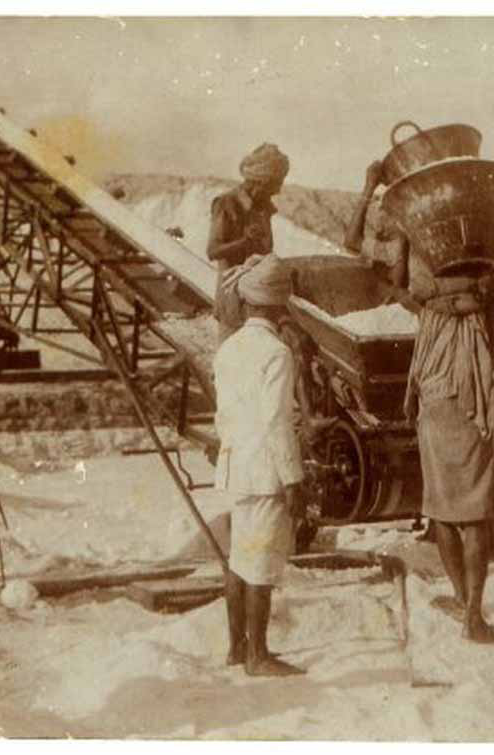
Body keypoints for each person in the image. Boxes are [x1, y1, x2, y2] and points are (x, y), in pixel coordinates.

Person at [345, 159, 494, 642]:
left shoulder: (418, 254)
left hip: (436, 387)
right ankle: (472, 611)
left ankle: (463, 600)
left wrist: (370, 188)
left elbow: (380, 269)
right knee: (473, 507)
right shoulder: (484, 261)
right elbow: (493, 289)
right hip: (470, 392)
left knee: (443, 507)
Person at [213, 254, 307, 676]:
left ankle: (237, 648)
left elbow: (223, 417)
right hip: (266, 471)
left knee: (238, 559)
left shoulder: (228, 349)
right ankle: (258, 656)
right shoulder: (277, 353)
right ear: (278, 305)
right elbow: (276, 421)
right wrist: (293, 478)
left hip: (235, 467)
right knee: (261, 565)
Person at [207, 143, 290, 341]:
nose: (278, 191)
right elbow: (213, 251)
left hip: (259, 304)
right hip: (233, 301)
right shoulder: (227, 203)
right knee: (231, 355)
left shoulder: (264, 208)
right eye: (276, 184)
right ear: (261, 182)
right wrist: (245, 242)